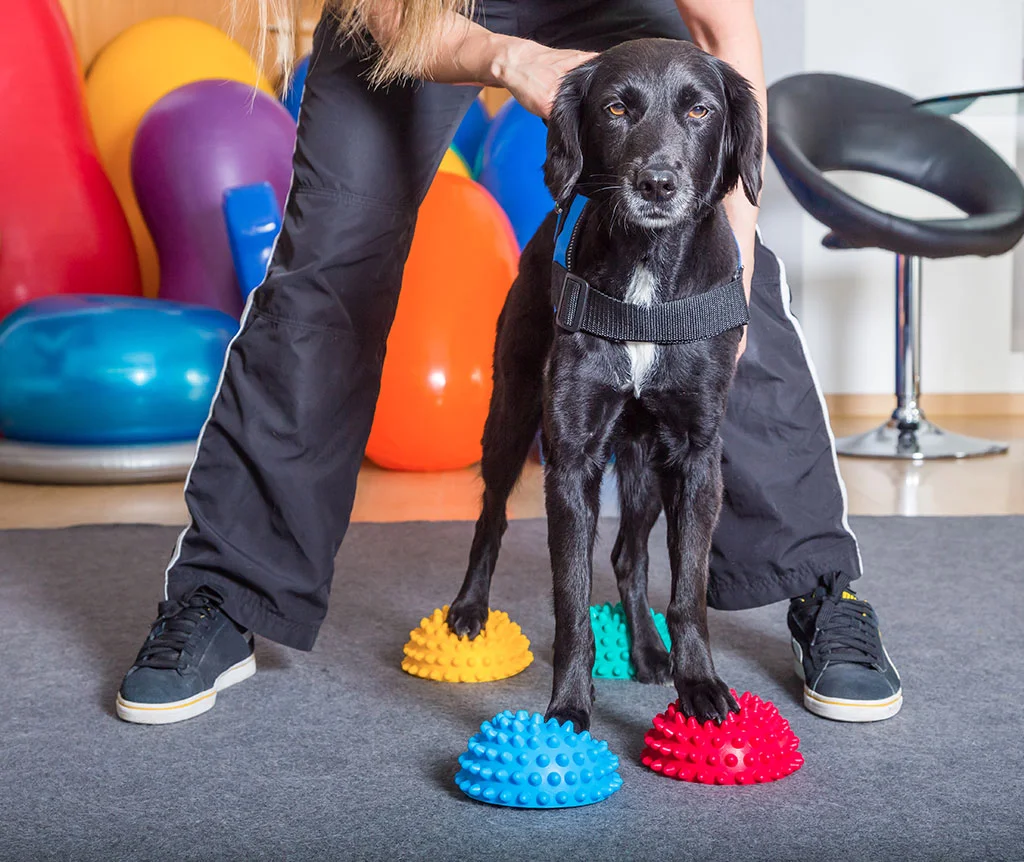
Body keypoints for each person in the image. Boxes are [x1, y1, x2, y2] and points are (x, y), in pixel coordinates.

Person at [116, 0, 902, 726]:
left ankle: (814, 585)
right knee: (324, 274)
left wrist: (735, 251)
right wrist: (505, 57)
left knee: (728, 285)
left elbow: (723, 30)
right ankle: (224, 591)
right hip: (426, 9)